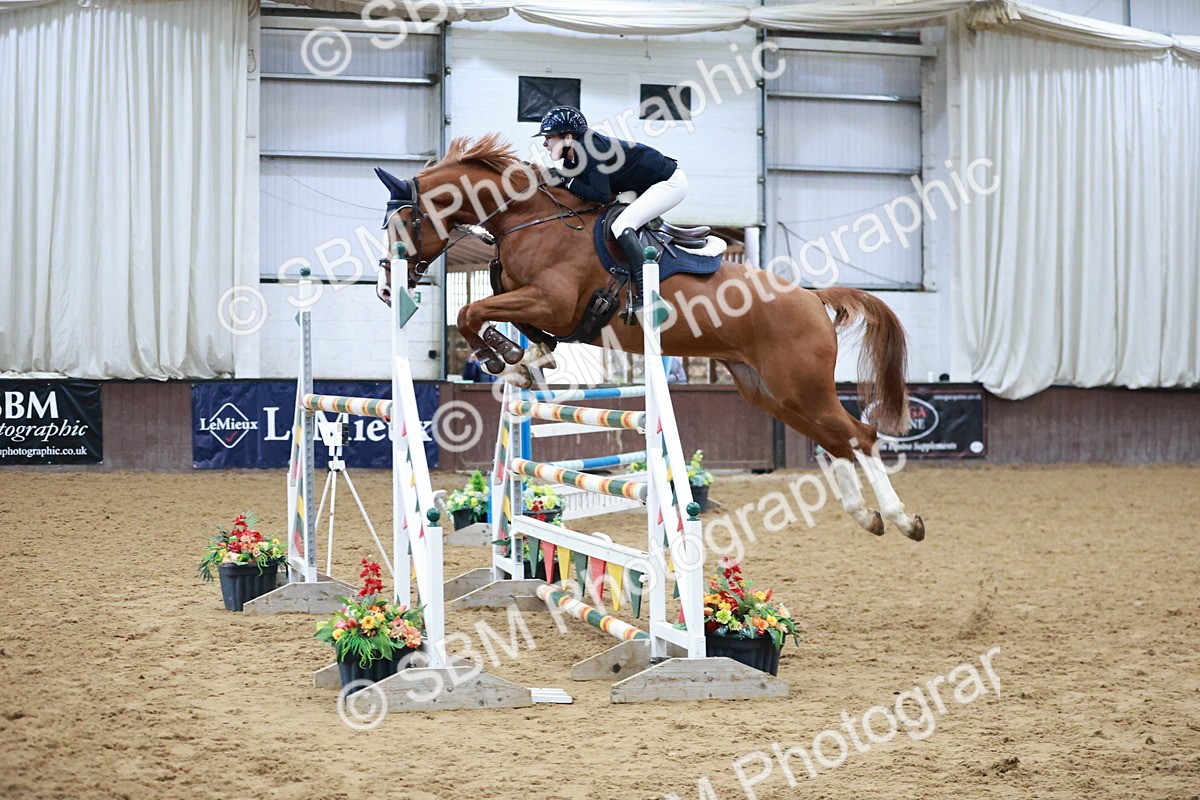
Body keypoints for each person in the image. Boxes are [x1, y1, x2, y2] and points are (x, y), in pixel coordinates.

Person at [535, 106, 688, 321]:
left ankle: (650, 298)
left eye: (549, 137)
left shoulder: (590, 149)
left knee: (621, 225)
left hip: (668, 183)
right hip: (642, 187)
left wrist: (566, 180)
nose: (544, 143)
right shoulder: (573, 156)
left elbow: (600, 195)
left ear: (568, 137)